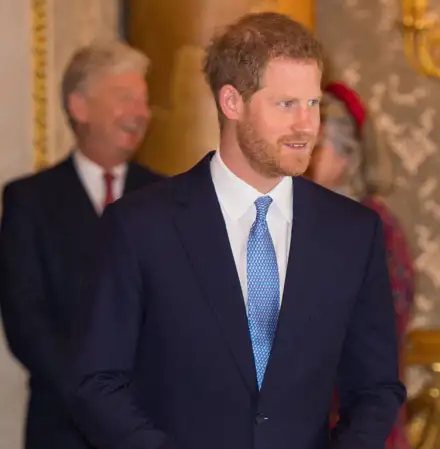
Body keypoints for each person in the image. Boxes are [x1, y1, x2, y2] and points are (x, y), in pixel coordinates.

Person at [67, 12, 405, 449]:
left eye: (313, 103)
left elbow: (376, 388)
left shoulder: (353, 233)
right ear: (232, 103)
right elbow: (96, 382)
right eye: (286, 104)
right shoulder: (140, 226)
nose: (306, 125)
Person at [0, 40, 163, 449]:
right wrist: (94, 397)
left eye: (143, 101)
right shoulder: (30, 201)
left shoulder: (166, 197)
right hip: (63, 428)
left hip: (152, 427)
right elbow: (25, 320)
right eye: (125, 98)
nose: (140, 114)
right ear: (79, 107)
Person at [307, 81, 414, 449]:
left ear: (348, 156)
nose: (306, 157)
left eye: (318, 147)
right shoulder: (302, 217)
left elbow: (383, 331)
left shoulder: (375, 227)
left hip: (360, 420)